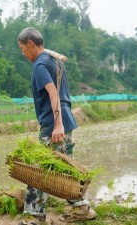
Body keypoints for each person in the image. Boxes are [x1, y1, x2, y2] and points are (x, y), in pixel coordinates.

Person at [17, 27, 96, 224]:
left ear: (30, 44)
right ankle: (82, 208)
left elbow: (53, 92)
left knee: (38, 169)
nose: (22, 53)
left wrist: (57, 125)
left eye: (22, 48)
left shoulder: (40, 65)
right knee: (63, 170)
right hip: (65, 121)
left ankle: (36, 217)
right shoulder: (55, 61)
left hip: (55, 125)